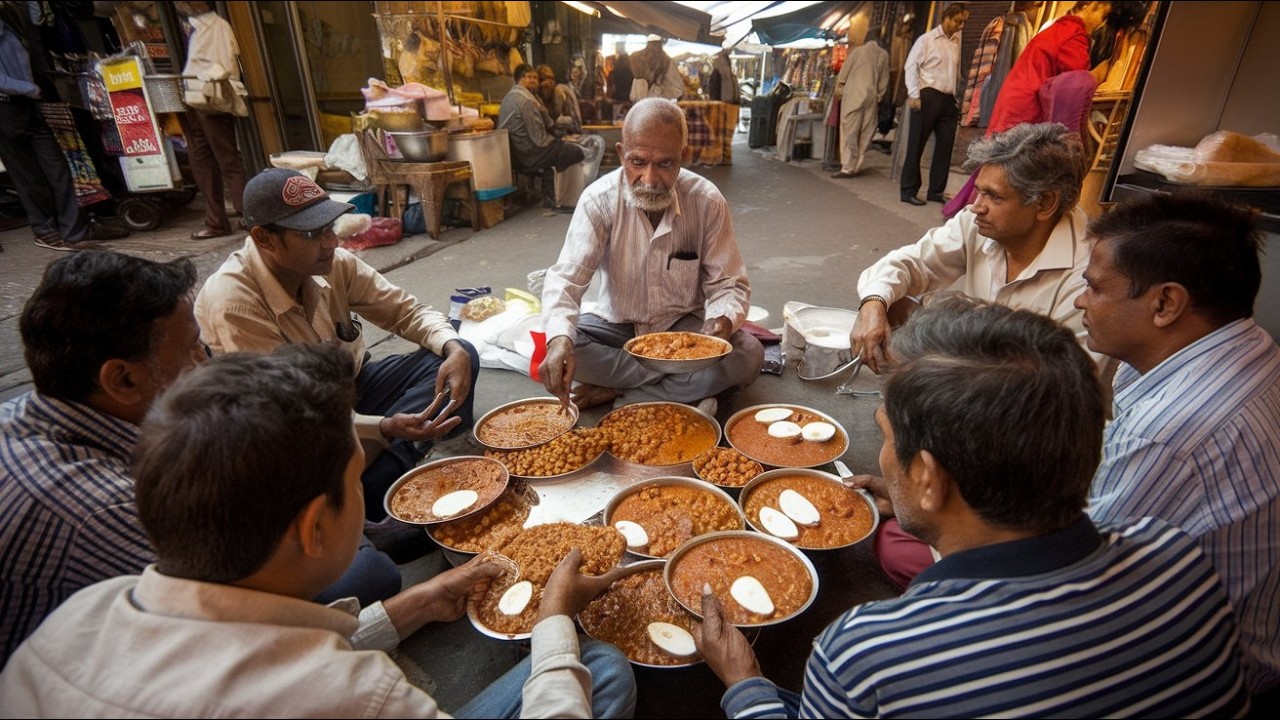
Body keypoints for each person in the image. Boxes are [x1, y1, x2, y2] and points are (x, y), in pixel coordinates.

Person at [0, 343, 637, 718]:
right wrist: (553, 618)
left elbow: (243, 662)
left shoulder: (79, 615)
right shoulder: (359, 696)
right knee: (596, 665)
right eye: (358, 483)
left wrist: (407, 607)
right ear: (313, 526)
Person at [695, 294, 1251, 718]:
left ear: (932, 481)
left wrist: (745, 684)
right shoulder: (1183, 559)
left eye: (887, 437)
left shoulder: (866, 652)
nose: (884, 457)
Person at [1075, 191, 1280, 702]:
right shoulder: (1252, 346)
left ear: (1165, 303)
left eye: (1095, 288)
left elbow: (1075, 577)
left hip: (1212, 674)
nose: (1082, 301)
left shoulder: (1172, 430)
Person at [194, 168, 480, 530]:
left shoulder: (332, 261)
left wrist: (452, 346)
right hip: (297, 426)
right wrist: (384, 426)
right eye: (313, 233)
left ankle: (400, 457)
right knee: (367, 494)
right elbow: (288, 412)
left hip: (351, 389)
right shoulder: (233, 303)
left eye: (330, 227)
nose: (331, 242)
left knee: (458, 354)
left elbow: (405, 311)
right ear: (264, 239)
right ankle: (379, 481)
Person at [0, 251, 206, 664]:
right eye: (191, 351)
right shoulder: (103, 507)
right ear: (123, 379)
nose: (205, 359)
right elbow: (233, 634)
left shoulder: (28, 410)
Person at [538, 98, 762, 412]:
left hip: (685, 327)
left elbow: (728, 284)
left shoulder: (707, 200)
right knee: (556, 343)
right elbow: (566, 280)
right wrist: (560, 340)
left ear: (683, 157)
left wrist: (720, 323)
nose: (650, 179)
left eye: (665, 164)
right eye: (638, 162)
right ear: (621, 154)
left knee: (748, 353)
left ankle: (621, 394)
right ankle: (673, 389)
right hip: (618, 327)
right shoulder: (598, 201)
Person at [851, 121, 1095, 374]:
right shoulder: (977, 222)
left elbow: (1060, 388)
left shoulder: (1086, 279)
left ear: (1045, 203)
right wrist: (873, 303)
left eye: (994, 196)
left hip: (1027, 396)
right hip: (978, 361)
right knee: (897, 302)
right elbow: (915, 262)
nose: (977, 206)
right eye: (979, 192)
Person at [0, 17, 126, 251]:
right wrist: (30, 89)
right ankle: (45, 231)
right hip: (8, 107)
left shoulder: (11, 20)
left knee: (57, 169)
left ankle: (73, 231)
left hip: (29, 104)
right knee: (28, 178)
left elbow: (35, 18)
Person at [173, 1, 248, 241]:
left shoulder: (217, 26)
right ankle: (216, 221)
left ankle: (248, 214)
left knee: (227, 159)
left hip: (212, 100)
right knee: (201, 161)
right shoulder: (193, 27)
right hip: (192, 99)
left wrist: (205, 78)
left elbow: (225, 66)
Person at [985, 1, 1116, 135]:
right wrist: (1101, 72)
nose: (1101, 23)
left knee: (998, 149)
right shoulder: (1073, 34)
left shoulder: (1059, 28)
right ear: (1086, 6)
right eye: (1103, 15)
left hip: (1013, 105)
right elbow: (1076, 85)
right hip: (1027, 110)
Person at [899, 2, 968, 206]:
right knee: (916, 145)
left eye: (963, 22)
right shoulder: (926, 40)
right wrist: (914, 94)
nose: (961, 25)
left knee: (945, 147)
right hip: (927, 95)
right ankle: (908, 190)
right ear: (947, 17)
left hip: (948, 99)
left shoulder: (956, 41)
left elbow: (954, 72)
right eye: (958, 21)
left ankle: (935, 191)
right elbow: (911, 66)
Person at [499, 63, 585, 174]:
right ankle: (559, 188)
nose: (533, 81)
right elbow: (539, 140)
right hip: (529, 154)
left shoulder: (510, 96)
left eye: (535, 78)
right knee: (576, 152)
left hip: (519, 152)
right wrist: (559, 141)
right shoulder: (526, 101)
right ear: (519, 79)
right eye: (528, 77)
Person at [830, 29, 889, 178]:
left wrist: (840, 88)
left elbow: (844, 73)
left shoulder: (857, 52)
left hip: (853, 96)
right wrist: (878, 96)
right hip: (871, 98)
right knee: (865, 131)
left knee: (849, 130)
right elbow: (884, 81)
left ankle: (848, 166)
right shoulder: (883, 55)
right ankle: (856, 165)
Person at [629, 36, 684, 102]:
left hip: (639, 104)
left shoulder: (635, 57)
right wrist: (659, 93)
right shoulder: (666, 60)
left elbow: (677, 89)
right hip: (655, 104)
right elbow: (678, 90)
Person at [536, 63, 582, 135]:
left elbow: (557, 116)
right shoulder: (539, 96)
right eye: (546, 79)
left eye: (551, 79)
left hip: (570, 130)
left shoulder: (558, 90)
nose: (549, 82)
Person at [608, 51, 634, 120]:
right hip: (629, 101)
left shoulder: (613, 73)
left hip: (616, 100)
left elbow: (611, 88)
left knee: (617, 120)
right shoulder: (633, 74)